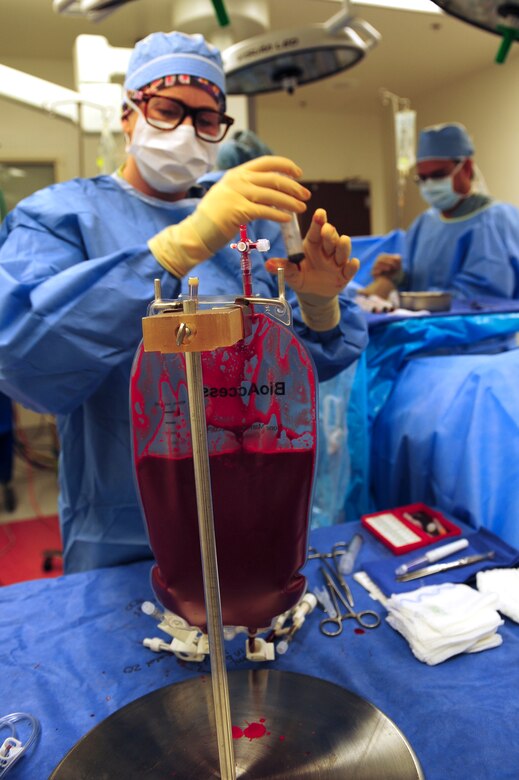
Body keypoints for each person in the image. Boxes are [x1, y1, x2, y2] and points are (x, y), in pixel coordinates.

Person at [0, 31, 367, 574]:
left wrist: (318, 307)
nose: (189, 131)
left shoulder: (251, 220)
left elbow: (288, 377)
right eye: (169, 110)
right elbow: (22, 357)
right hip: (126, 527)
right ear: (129, 114)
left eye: (206, 119)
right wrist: (178, 247)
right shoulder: (61, 217)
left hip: (257, 504)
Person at [362, 122, 519, 300]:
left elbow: (483, 298)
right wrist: (395, 278)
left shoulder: (497, 220)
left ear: (466, 168)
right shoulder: (424, 223)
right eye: (422, 178)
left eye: (438, 175)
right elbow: (416, 283)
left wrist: (420, 305)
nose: (429, 184)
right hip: (426, 326)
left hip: (476, 328)